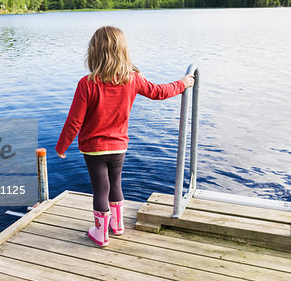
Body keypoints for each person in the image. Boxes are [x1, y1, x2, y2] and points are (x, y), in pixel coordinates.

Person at [55, 26, 194, 247]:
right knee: (116, 184)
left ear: (94, 52)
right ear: (123, 51)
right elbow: (159, 92)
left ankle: (101, 234)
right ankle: (117, 226)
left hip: (94, 149)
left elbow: (74, 121)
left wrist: (61, 147)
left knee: (101, 189)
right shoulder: (133, 79)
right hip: (119, 146)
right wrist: (183, 83)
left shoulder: (87, 83)